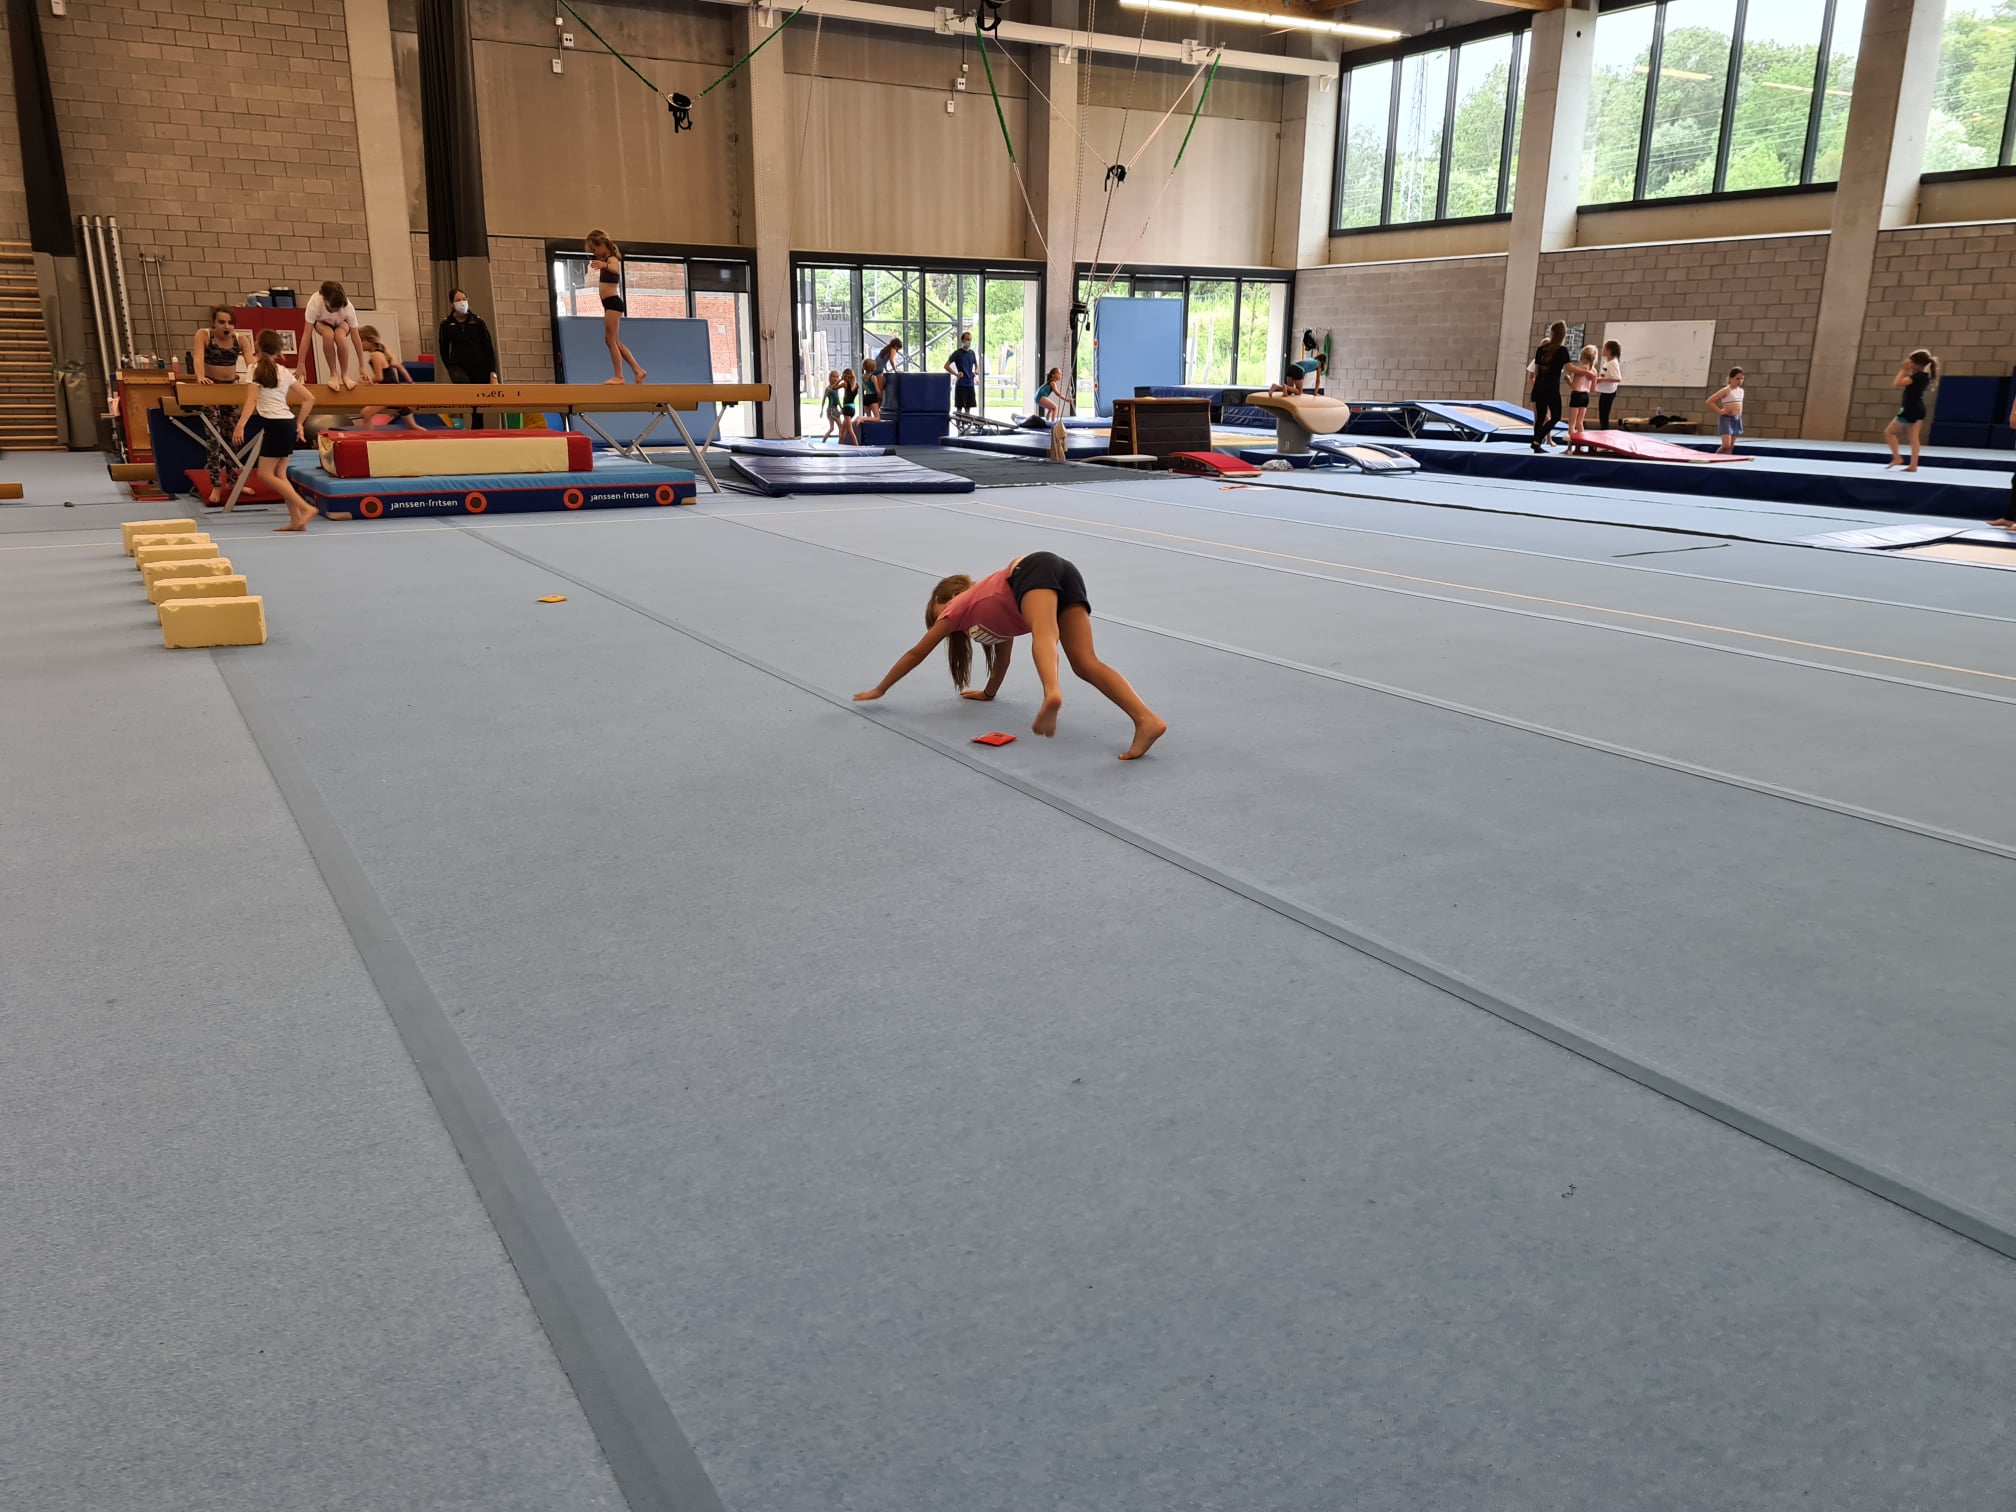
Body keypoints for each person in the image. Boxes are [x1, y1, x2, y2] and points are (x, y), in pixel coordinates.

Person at [853, 552, 1167, 761]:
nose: (937, 619)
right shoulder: (992, 617)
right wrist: (989, 693)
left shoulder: (956, 607)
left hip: (1030, 568)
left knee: (1044, 631)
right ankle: (1146, 719)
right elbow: (1002, 658)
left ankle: (1052, 693)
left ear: (944, 598)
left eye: (933, 611)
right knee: (1086, 663)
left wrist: (881, 688)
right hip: (1065, 572)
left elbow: (917, 651)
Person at [229, 329, 320, 531]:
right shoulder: (284, 372)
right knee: (280, 474)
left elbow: (251, 400)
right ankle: (296, 520)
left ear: (257, 346)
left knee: (264, 474)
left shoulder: (254, 368)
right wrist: (299, 424)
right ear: (278, 350)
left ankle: (305, 507)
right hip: (287, 423)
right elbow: (309, 399)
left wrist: (241, 424)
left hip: (275, 425)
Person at [189, 305, 254, 492]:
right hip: (211, 389)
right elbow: (198, 359)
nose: (227, 326)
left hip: (231, 390)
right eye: (222, 322)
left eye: (230, 322)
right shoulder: (204, 335)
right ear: (213, 323)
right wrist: (200, 377)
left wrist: (258, 379)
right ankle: (216, 485)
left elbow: (251, 363)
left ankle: (233, 482)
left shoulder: (240, 340)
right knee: (214, 440)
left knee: (233, 438)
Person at [585, 229, 647, 384]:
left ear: (603, 245)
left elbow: (615, 269)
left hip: (613, 302)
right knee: (615, 342)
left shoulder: (612, 260)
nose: (595, 253)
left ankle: (619, 376)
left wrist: (604, 265)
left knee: (610, 340)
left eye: (595, 249)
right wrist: (602, 265)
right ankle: (638, 370)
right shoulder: (606, 261)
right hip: (609, 305)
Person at [302, 281, 365, 391]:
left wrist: (362, 365)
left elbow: (356, 337)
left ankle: (345, 375)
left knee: (340, 337)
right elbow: (307, 334)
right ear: (324, 300)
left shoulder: (348, 307)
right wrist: (301, 363)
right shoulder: (315, 302)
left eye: (338, 309)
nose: (335, 312)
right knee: (328, 334)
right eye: (332, 309)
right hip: (322, 324)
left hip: (342, 323)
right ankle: (333, 374)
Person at [357, 326, 421, 430]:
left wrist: (365, 383)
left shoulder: (375, 355)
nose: (359, 344)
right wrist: (410, 381)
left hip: (389, 393)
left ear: (370, 340)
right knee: (412, 426)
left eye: (361, 340)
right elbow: (399, 366)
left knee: (365, 413)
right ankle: (434, 440)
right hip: (393, 392)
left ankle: (369, 440)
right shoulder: (382, 354)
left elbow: (379, 377)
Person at [1885, 348, 1937, 472]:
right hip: (1919, 409)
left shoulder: (1917, 377)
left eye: (1911, 361)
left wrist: (1904, 369)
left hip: (1910, 409)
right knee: (1914, 438)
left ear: (1917, 364)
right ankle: (1913, 465)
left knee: (1888, 432)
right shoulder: (1924, 376)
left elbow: (1897, 383)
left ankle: (1897, 457)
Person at [436, 288, 499, 385]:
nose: (462, 302)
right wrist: (450, 367)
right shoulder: (446, 324)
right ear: (452, 304)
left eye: (464, 299)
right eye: (458, 300)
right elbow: (443, 349)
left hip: (480, 367)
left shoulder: (478, 322)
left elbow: (488, 347)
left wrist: (492, 373)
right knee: (463, 385)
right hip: (458, 367)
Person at [1527, 321, 1570, 453]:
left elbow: (1537, 371)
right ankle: (1537, 440)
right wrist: (1585, 372)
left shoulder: (1541, 350)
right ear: (1563, 335)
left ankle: (1536, 444)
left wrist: (1535, 388)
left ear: (1551, 333)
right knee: (1556, 416)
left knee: (1540, 417)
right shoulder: (1562, 350)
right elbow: (1569, 367)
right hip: (1551, 388)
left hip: (1539, 387)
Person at [1564, 345, 1600, 443]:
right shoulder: (1594, 370)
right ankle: (1582, 444)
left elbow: (1575, 386)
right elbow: (1593, 389)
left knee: (1572, 423)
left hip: (1577, 395)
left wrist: (1568, 380)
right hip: (1585, 396)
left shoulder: (1580, 369)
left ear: (1582, 356)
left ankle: (1570, 447)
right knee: (1580, 422)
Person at [1706, 367, 1745, 455]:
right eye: (1737, 378)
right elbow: (1710, 401)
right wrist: (1720, 411)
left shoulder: (1741, 391)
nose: (1740, 381)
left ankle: (1727, 464)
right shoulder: (1726, 390)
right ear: (1731, 379)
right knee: (1726, 445)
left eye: (1742, 378)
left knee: (1731, 446)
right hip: (1727, 419)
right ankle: (1715, 457)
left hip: (1737, 419)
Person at [946, 331, 979, 415]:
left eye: (970, 340)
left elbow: (976, 365)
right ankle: (959, 427)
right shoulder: (957, 353)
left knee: (968, 410)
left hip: (970, 384)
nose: (969, 341)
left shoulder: (972, 353)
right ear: (962, 340)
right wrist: (956, 374)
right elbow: (946, 366)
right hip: (961, 385)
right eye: (967, 339)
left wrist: (975, 372)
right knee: (959, 410)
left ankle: (966, 426)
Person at [1596, 340, 1624, 429]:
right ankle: (1603, 433)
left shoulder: (1613, 363)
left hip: (1608, 393)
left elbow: (1617, 378)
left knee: (1604, 417)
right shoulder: (1608, 362)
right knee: (1602, 417)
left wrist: (1602, 380)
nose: (1602, 350)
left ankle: (1604, 435)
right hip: (1605, 391)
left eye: (1604, 348)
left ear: (1609, 350)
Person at [838, 367, 859, 444]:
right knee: (843, 430)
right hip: (852, 408)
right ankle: (839, 445)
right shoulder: (856, 385)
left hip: (847, 408)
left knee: (850, 431)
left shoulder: (845, 384)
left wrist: (840, 380)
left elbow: (834, 387)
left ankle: (857, 447)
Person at [820, 370, 842, 441]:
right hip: (832, 409)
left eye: (837, 377)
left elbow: (837, 399)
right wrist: (821, 411)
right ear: (830, 378)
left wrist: (841, 407)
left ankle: (823, 440)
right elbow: (824, 399)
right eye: (834, 377)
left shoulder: (836, 388)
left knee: (832, 428)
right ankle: (840, 442)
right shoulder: (828, 388)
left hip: (834, 409)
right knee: (840, 427)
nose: (836, 378)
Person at [860, 357, 881, 422]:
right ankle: (861, 418)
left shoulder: (862, 376)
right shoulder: (873, 377)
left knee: (868, 418)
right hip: (872, 397)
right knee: (877, 418)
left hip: (866, 398)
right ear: (872, 367)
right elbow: (877, 390)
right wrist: (880, 397)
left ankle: (864, 420)